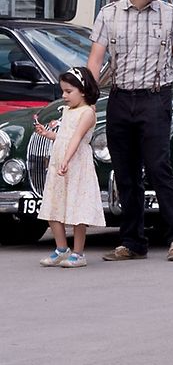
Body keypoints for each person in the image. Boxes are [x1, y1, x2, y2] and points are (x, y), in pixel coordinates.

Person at [87, 0, 173, 262]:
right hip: (120, 100)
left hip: (155, 98)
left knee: (158, 167)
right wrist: (87, 97)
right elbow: (96, 60)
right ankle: (132, 241)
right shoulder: (109, 14)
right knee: (125, 172)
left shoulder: (170, 14)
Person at [35, 67, 105, 268]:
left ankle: (78, 252)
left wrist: (66, 159)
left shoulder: (87, 113)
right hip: (61, 161)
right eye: (63, 91)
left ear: (82, 90)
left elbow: (76, 138)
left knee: (77, 207)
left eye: (68, 91)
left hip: (76, 163)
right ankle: (61, 248)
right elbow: (65, 136)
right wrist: (49, 135)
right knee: (53, 205)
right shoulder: (67, 111)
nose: (64, 96)